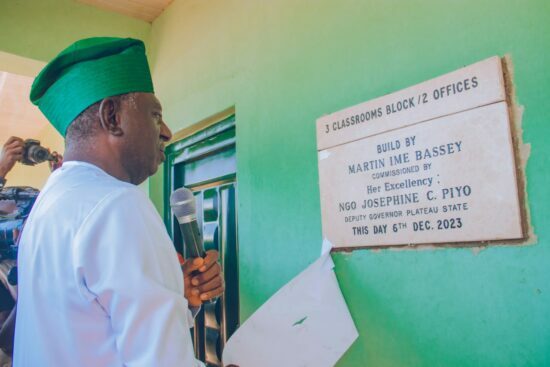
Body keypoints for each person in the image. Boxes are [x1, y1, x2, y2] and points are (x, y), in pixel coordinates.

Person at [13, 37, 224, 367]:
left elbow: (89, 332)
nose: (166, 132)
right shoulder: (117, 203)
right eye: (155, 115)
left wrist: (176, 298)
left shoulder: (50, 202)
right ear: (111, 116)